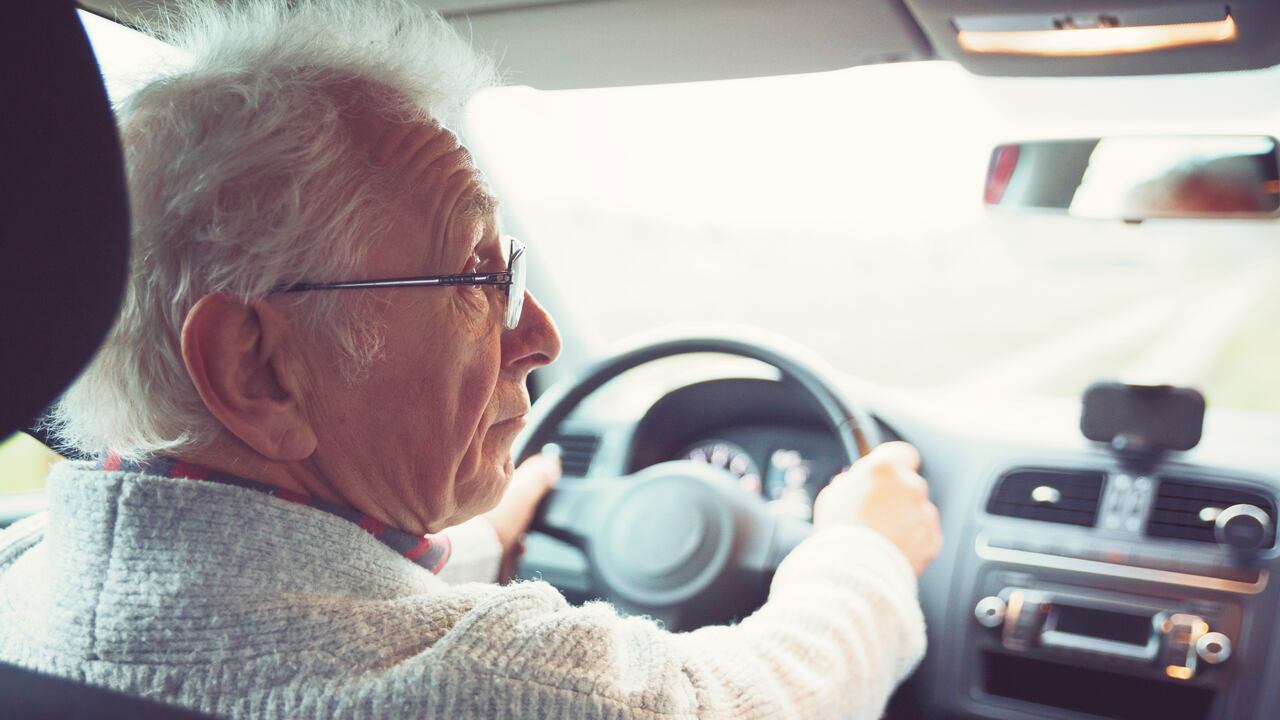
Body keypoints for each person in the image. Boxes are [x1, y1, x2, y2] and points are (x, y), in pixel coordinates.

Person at [0, 1, 942, 717]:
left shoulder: (23, 568)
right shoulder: (505, 680)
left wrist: (484, 543)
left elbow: (260, 600)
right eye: (474, 278)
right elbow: (755, 692)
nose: (539, 338)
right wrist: (864, 552)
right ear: (257, 368)